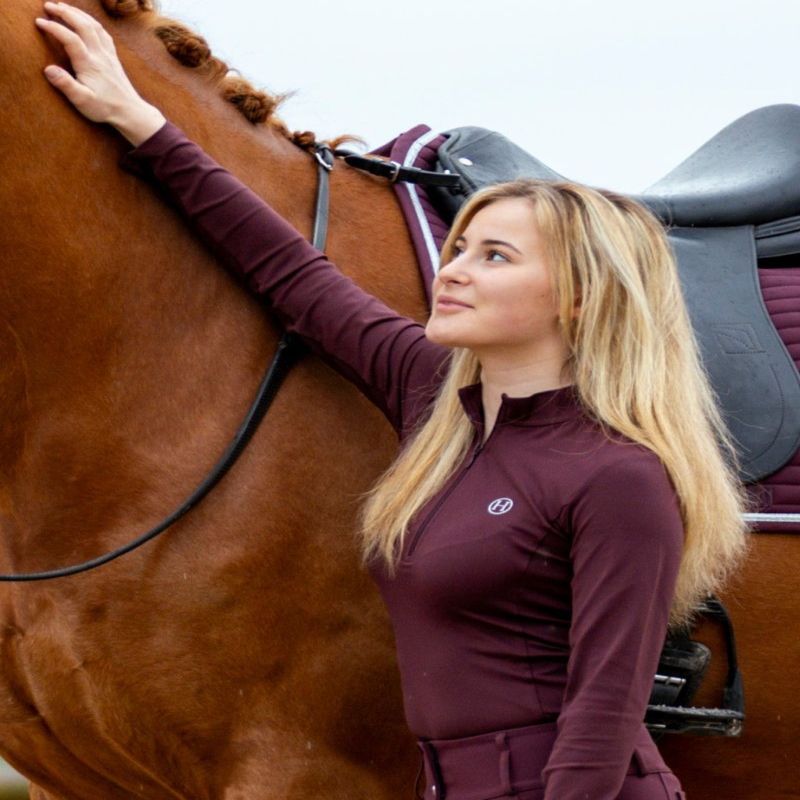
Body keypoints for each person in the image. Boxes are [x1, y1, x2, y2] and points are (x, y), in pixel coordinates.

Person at [35, 3, 750, 798]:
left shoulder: (617, 475)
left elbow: (603, 718)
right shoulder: (435, 399)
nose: (453, 270)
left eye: (494, 256)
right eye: (458, 249)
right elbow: (294, 276)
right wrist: (144, 122)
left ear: (578, 299)